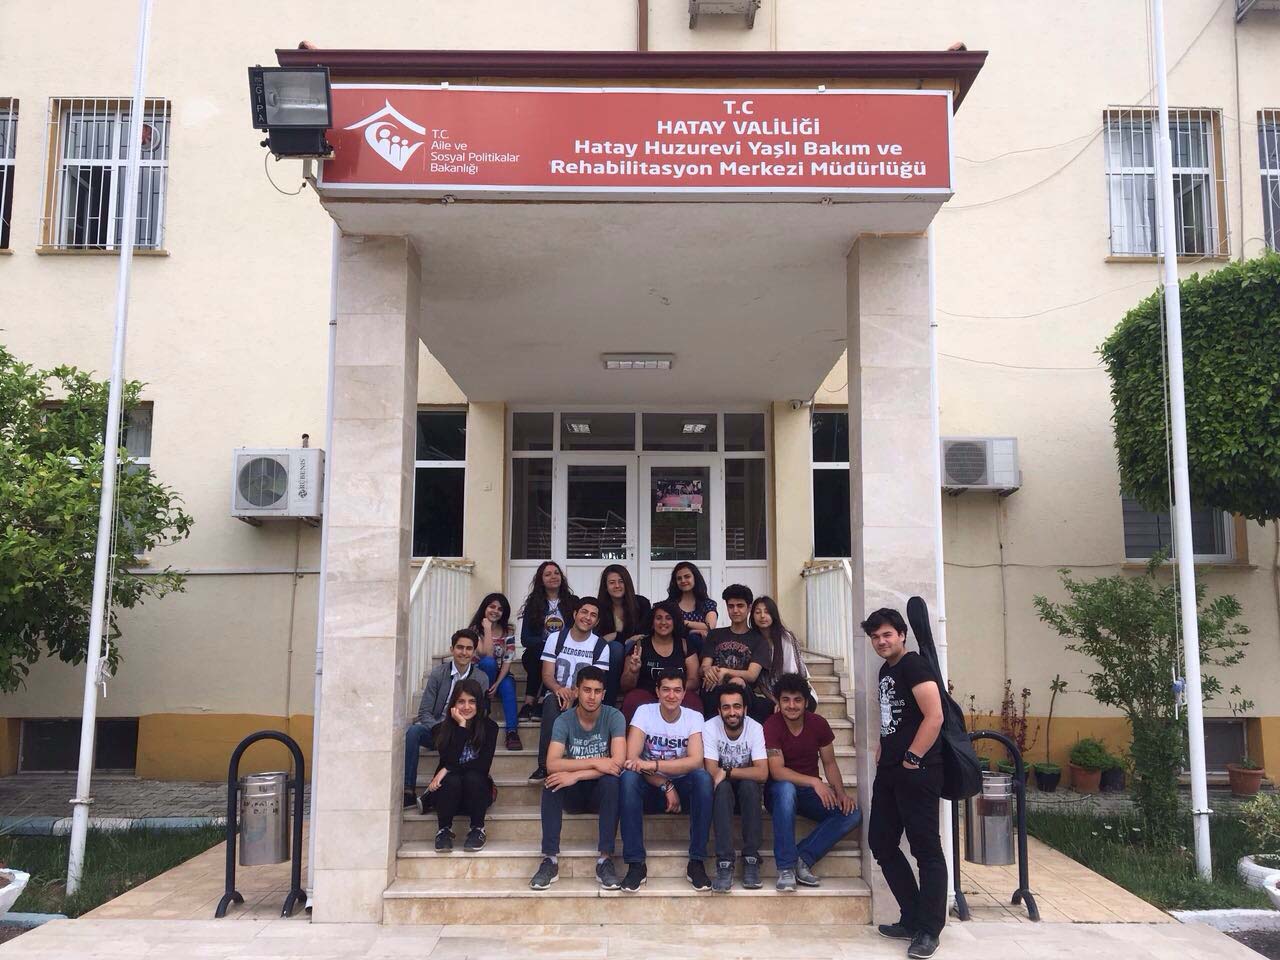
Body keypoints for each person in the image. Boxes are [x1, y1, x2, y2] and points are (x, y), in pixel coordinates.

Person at [864, 608, 945, 960]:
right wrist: (884, 745)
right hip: (890, 771)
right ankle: (912, 917)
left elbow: (934, 716)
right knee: (881, 842)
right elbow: (895, 716)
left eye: (887, 635)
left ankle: (929, 930)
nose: (881, 641)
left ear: (901, 635)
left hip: (919, 770)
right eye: (875, 637)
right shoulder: (886, 669)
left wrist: (913, 756)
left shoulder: (914, 666)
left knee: (926, 849)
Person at [530, 666, 626, 891]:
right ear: (576, 691)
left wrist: (576, 775)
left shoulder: (614, 716)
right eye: (586, 690)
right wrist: (596, 762)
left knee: (613, 782)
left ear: (604, 694)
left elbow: (617, 764)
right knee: (552, 782)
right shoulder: (564, 720)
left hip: (600, 791)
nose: (592, 697)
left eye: (597, 691)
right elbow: (552, 764)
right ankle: (550, 859)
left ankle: (605, 860)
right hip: (574, 795)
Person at [618, 669, 714, 892]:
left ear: (684, 693)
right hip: (651, 786)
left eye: (677, 690)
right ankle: (635, 864)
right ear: (657, 692)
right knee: (628, 778)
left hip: (684, 787)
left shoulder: (693, 717)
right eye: (666, 690)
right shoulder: (644, 712)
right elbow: (632, 760)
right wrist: (664, 783)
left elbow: (695, 761)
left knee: (702, 778)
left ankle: (697, 862)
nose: (672, 695)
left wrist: (654, 765)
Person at [764, 672, 860, 892]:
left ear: (806, 702)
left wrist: (841, 793)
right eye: (786, 700)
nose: (792, 705)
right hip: (778, 792)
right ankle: (785, 868)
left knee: (852, 813)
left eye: (797, 700)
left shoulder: (818, 724)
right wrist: (815, 782)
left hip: (808, 794)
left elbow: (830, 763)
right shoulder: (772, 725)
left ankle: (802, 858)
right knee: (786, 789)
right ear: (778, 702)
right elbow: (777, 771)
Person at [530, 596, 612, 781]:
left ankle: (581, 763)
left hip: (585, 695)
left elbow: (595, 682)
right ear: (575, 614)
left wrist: (574, 695)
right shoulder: (556, 638)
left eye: (593, 615)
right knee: (552, 702)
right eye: (584, 612)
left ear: (597, 621)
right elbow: (547, 675)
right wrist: (559, 689)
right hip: (558, 692)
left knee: (590, 702)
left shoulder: (600, 646)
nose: (587, 617)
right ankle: (545, 765)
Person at [404, 629, 487, 807]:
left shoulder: (481, 678)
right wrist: (439, 729)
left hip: (464, 733)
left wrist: (461, 729)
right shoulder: (438, 674)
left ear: (474, 652)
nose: (464, 652)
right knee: (413, 731)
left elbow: (480, 713)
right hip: (438, 729)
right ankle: (408, 790)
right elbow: (424, 711)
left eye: (469, 648)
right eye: (460, 647)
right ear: (452, 649)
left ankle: (434, 795)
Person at [417, 678, 498, 853]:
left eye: (472, 701)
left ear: (479, 704)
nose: (466, 707)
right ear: (453, 704)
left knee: (473, 776)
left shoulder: (490, 728)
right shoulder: (441, 729)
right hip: (449, 795)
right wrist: (461, 726)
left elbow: (482, 765)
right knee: (452, 780)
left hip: (475, 795)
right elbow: (450, 758)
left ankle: (478, 829)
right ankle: (443, 831)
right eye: (461, 701)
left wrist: (446, 769)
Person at [703, 684, 768, 893]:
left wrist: (728, 771)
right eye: (726, 707)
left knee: (750, 786)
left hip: (747, 792)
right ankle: (724, 862)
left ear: (745, 709)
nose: (732, 712)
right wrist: (724, 774)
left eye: (737, 706)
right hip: (722, 793)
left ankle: (751, 859)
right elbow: (712, 771)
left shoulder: (755, 728)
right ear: (719, 710)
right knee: (721, 788)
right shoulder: (710, 727)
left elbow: (762, 773)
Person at [700, 584, 773, 725]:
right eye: (731, 606)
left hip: (744, 695)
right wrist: (708, 670)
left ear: (749, 608)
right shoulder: (715, 635)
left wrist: (725, 671)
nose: (735, 610)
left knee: (738, 682)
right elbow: (704, 666)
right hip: (714, 690)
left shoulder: (759, 640)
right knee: (710, 683)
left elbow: (752, 675)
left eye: (740, 606)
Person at [619, 600, 702, 722]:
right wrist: (633, 671)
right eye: (658, 618)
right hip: (647, 695)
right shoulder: (639, 646)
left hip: (676, 694)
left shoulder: (685, 645)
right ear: (652, 622)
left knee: (693, 701)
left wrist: (670, 690)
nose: (663, 622)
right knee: (633, 700)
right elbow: (625, 686)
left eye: (668, 618)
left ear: (675, 622)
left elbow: (694, 680)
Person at [518, 562, 577, 721]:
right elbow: (525, 639)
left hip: (565, 651)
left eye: (556, 573)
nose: (553, 577)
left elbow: (577, 631)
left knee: (553, 657)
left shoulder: (572, 602)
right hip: (539, 651)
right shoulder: (533, 604)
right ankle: (529, 702)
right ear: (541, 579)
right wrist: (547, 644)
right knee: (539, 655)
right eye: (548, 574)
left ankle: (542, 700)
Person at [469, 592, 522, 751]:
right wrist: (487, 629)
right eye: (492, 607)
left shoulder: (508, 630)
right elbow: (486, 654)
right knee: (488, 662)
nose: (495, 611)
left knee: (507, 685)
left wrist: (497, 683)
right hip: (479, 676)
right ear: (484, 608)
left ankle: (512, 732)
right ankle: (484, 704)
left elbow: (508, 659)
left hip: (500, 676)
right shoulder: (474, 630)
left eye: (500, 609)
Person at [752, 595, 815, 711]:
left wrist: (784, 702)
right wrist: (776, 701)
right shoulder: (753, 641)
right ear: (752, 616)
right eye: (758, 612)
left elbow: (792, 675)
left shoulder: (785, 638)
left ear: (773, 615)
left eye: (767, 612)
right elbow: (762, 683)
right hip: (773, 696)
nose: (762, 616)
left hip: (797, 692)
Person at [666, 561, 717, 654]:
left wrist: (684, 623)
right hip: (675, 650)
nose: (683, 581)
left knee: (694, 638)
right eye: (679, 578)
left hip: (701, 652)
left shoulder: (707, 604)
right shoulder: (670, 604)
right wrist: (693, 630)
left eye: (687, 576)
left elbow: (710, 626)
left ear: (695, 578)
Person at [596, 564, 651, 649]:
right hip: (610, 652)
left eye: (621, 581)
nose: (617, 586)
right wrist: (624, 639)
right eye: (612, 582)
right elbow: (600, 638)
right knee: (615, 647)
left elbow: (643, 634)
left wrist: (615, 636)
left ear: (627, 583)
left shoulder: (642, 603)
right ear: (606, 587)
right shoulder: (599, 607)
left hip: (636, 649)